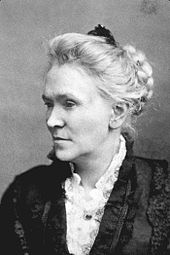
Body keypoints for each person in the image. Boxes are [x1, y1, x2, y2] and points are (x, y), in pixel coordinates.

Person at [0, 24, 170, 255]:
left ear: (117, 112)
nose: (52, 120)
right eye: (49, 104)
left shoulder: (162, 190)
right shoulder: (24, 194)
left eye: (69, 103)